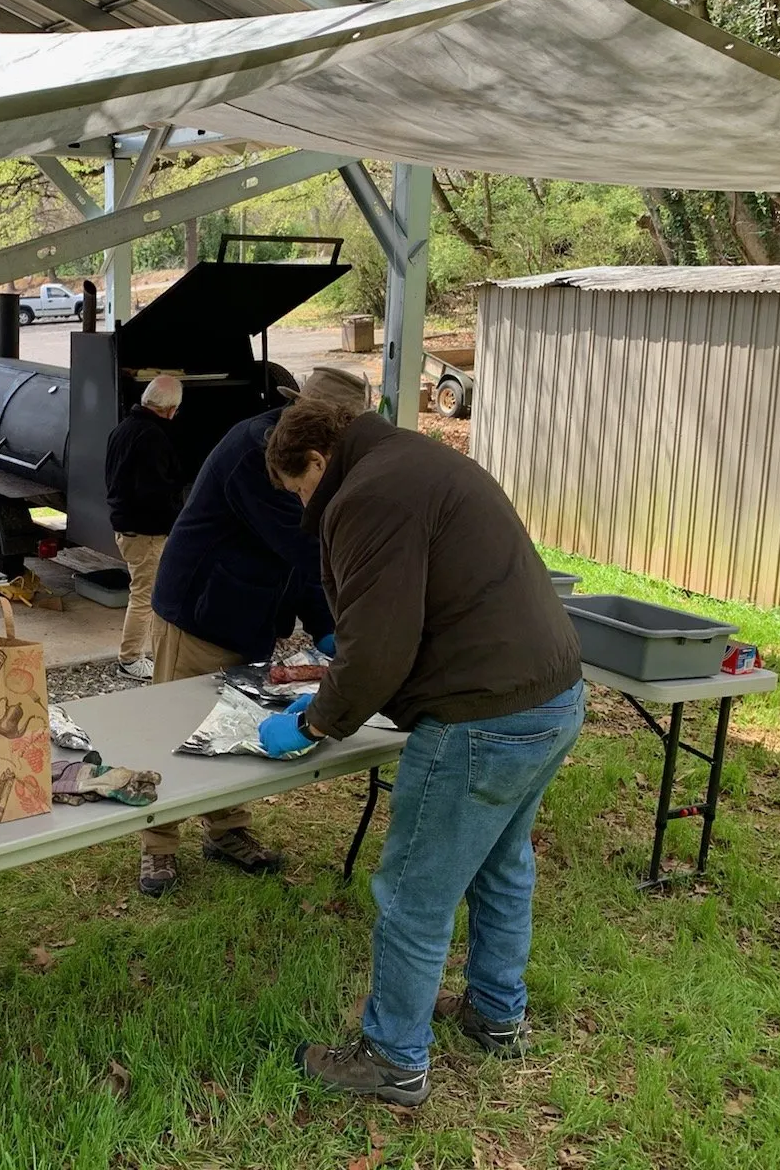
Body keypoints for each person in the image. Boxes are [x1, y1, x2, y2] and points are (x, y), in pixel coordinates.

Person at [258, 400, 584, 1108]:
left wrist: (316, 721)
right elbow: (422, 599)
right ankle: (498, 1016)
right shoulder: (422, 459)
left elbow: (380, 651)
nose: (304, 506)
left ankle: (393, 1059)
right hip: (552, 695)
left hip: (482, 715)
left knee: (414, 894)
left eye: (299, 492)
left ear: (316, 462)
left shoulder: (368, 493)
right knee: (502, 866)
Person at [136, 366, 370, 898]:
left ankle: (226, 831)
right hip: (198, 611)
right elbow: (310, 550)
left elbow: (309, 559)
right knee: (174, 731)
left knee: (233, 722)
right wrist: (355, 622)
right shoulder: (255, 452)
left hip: (250, 611)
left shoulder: (311, 459)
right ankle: (158, 847)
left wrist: (328, 628)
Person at [104, 374, 186, 681]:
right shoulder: (153, 438)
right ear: (169, 409)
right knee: (144, 596)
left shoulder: (123, 429)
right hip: (146, 531)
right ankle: (130, 659)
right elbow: (156, 495)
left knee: (142, 592)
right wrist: (177, 524)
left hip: (126, 526)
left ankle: (139, 654)